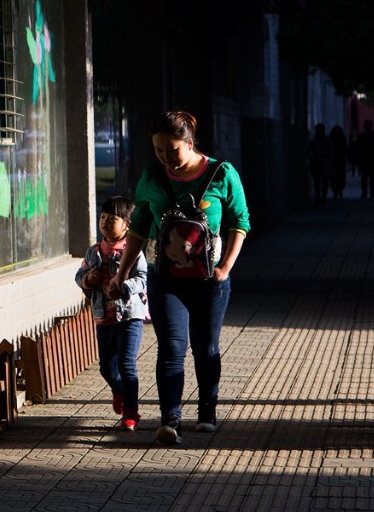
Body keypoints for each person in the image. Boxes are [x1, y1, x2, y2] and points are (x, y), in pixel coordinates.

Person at [111, 111, 250, 444]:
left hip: (209, 280)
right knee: (171, 348)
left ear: (189, 143)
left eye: (172, 150)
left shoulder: (221, 173)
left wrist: (225, 268)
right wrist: (122, 272)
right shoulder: (152, 178)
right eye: (159, 151)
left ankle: (207, 410)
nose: (165, 158)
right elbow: (140, 228)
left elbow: (239, 222)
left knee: (206, 348)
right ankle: (170, 418)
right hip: (166, 279)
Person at [75, 196, 148, 431]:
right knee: (106, 366)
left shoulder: (132, 250)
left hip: (129, 316)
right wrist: (88, 280)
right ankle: (119, 391)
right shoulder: (93, 252)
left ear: (127, 224)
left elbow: (143, 279)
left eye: (113, 219)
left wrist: (125, 286)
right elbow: (79, 277)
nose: (105, 222)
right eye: (103, 217)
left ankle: (131, 412)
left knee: (127, 364)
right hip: (103, 317)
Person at [306, 123, 332, 206]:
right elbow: (307, 151)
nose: (318, 132)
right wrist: (312, 158)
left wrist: (328, 160)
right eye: (317, 130)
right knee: (317, 182)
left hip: (324, 163)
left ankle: (323, 198)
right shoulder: (313, 141)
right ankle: (318, 197)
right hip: (316, 163)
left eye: (320, 130)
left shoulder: (327, 141)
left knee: (324, 182)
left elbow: (331, 152)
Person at [356, 120, 374, 199]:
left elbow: (358, 150)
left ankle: (365, 193)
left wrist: (358, 162)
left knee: (364, 178)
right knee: (372, 178)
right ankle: (372, 193)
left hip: (365, 160)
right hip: (372, 160)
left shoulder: (361, 137)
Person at [329, 125, 348, 199]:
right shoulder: (343, 138)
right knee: (341, 176)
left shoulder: (330, 139)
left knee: (333, 177)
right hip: (341, 160)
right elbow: (346, 148)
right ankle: (340, 190)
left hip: (333, 161)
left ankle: (335, 191)